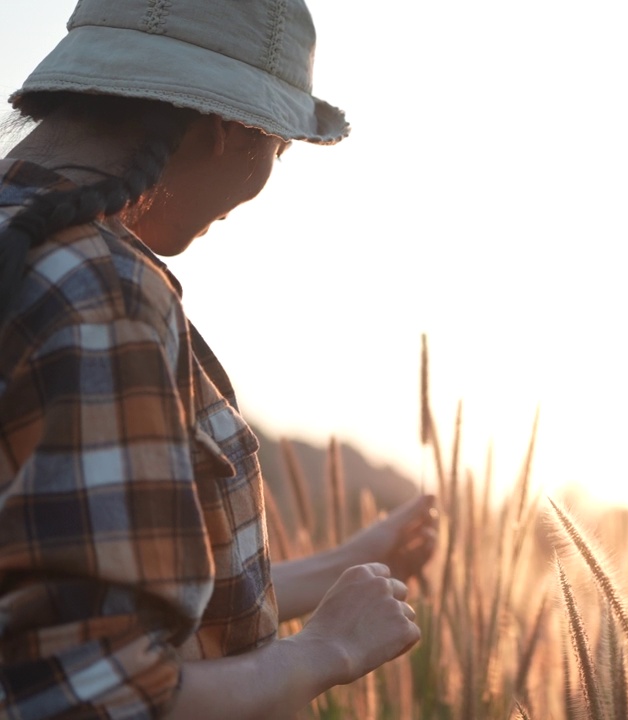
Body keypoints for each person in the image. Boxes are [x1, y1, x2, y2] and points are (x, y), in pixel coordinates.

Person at [0, 1, 438, 717]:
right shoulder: (101, 292)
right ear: (226, 128)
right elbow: (93, 696)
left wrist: (346, 563)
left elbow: (66, 600)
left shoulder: (28, 249)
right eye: (281, 143)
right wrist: (326, 650)